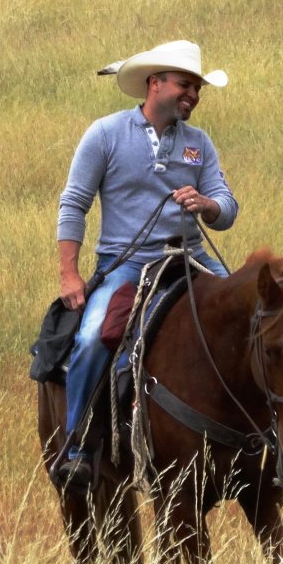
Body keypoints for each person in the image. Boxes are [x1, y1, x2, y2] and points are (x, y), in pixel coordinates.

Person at [55, 40, 238, 487]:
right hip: (126, 264)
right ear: (155, 84)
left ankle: (271, 439)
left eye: (197, 87)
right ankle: (78, 446)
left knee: (250, 320)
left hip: (190, 258)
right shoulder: (106, 134)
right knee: (94, 336)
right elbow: (74, 204)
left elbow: (228, 208)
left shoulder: (200, 144)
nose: (193, 94)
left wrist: (207, 205)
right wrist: (69, 272)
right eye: (185, 85)